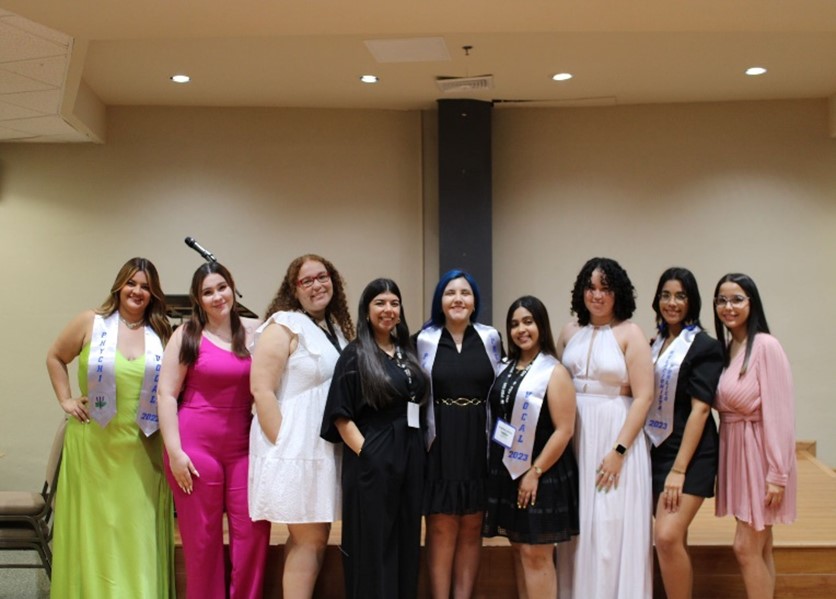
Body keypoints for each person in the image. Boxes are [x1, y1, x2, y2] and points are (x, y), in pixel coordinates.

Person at [45, 257, 174, 598]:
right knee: (96, 531)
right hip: (93, 447)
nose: (137, 291)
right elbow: (55, 356)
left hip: (143, 448)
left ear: (153, 294)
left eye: (145, 287)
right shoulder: (91, 322)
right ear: (119, 285)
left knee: (136, 531)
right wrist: (66, 399)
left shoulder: (162, 333)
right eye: (132, 283)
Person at [157, 262, 270, 599]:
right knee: (202, 543)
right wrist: (175, 453)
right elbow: (166, 394)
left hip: (244, 448)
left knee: (253, 535)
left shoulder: (257, 331)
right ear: (198, 299)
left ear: (232, 288)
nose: (217, 296)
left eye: (222, 287)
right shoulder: (186, 335)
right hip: (194, 448)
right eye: (208, 292)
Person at [249, 254, 354, 599]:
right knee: (311, 539)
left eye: (322, 277)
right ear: (293, 290)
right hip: (296, 451)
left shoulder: (334, 328)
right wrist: (284, 446)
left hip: (321, 449)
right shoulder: (284, 324)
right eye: (306, 281)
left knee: (310, 538)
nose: (316, 285)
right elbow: (261, 389)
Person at [320, 278, 429, 599]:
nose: (388, 309)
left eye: (394, 303)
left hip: (410, 451)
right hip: (373, 455)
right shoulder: (355, 355)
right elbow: (340, 415)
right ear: (366, 311)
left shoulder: (406, 350)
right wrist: (368, 454)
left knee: (406, 536)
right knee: (373, 541)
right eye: (380, 303)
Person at [556, 257, 654, 599]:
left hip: (615, 432)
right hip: (575, 434)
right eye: (591, 287)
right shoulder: (569, 332)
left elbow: (644, 397)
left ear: (618, 293)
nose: (597, 295)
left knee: (610, 524)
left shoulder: (630, 333)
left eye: (605, 289)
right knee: (578, 524)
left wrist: (619, 451)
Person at [482, 296, 579, 598]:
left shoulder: (554, 371)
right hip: (509, 469)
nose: (521, 330)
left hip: (541, 473)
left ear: (541, 325)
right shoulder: (506, 367)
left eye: (528, 322)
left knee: (536, 554)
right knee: (520, 549)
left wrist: (535, 472)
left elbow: (564, 430)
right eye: (514, 324)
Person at [416, 269, 502, 599]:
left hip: (479, 439)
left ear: (475, 301)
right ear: (440, 300)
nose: (458, 299)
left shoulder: (491, 338)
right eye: (450, 293)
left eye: (465, 293)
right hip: (440, 440)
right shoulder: (424, 340)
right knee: (441, 527)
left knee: (472, 526)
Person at [713, 273, 796, 599]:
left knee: (745, 547)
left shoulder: (765, 346)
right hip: (737, 454)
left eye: (737, 299)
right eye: (722, 300)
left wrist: (777, 473)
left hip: (760, 457)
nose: (728, 307)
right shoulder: (730, 348)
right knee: (761, 547)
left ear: (752, 303)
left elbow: (780, 414)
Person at [645, 267, 723, 599]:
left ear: (692, 301)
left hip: (690, 455)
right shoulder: (655, 344)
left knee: (665, 537)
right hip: (656, 449)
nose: (672, 302)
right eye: (666, 295)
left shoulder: (705, 346)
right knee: (674, 538)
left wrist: (678, 470)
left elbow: (701, 410)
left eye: (680, 295)